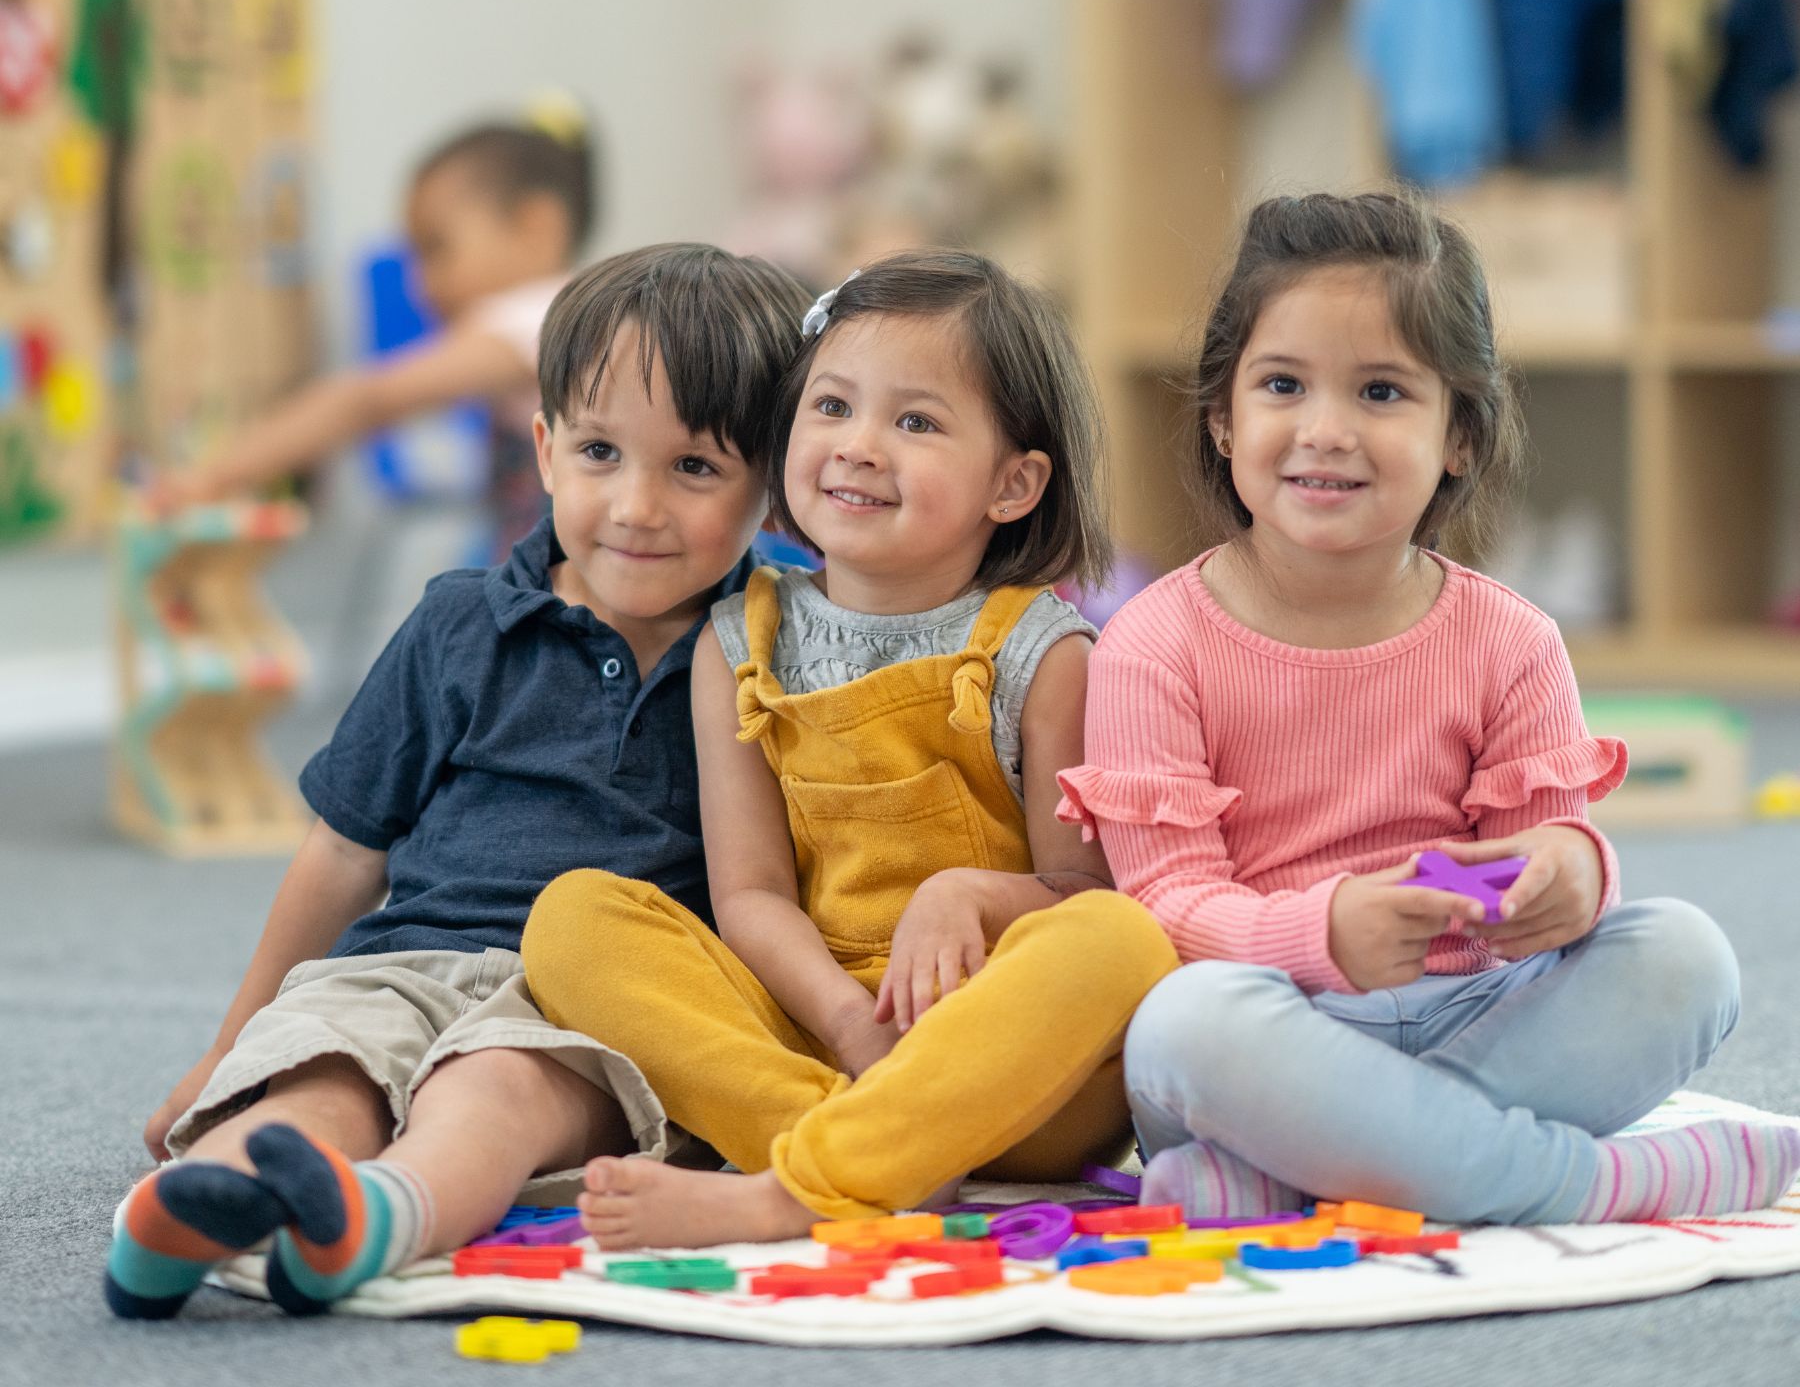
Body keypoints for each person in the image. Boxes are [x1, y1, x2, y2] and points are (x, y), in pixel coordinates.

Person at [1058, 190, 1800, 1226]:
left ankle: (1311, 1175)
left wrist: (1568, 877)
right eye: (1282, 384)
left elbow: (1545, 847)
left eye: (1380, 391)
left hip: (1477, 1013)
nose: (1326, 430)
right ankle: (1573, 1183)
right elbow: (1167, 908)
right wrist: (1325, 931)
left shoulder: (1509, 636)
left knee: (1687, 955)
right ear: (1224, 418)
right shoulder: (1155, 640)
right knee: (1182, 1019)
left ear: (1460, 432)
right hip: (1267, 1029)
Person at [104, 243, 812, 1319]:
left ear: (773, 485)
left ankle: (385, 1212)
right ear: (543, 448)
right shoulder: (458, 623)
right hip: (407, 958)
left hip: (594, 1003)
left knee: (495, 1090)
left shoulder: (775, 642)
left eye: (696, 468)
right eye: (601, 451)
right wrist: (227, 1044)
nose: (636, 505)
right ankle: (207, 1197)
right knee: (323, 1071)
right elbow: (344, 848)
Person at [521, 251, 1178, 1249]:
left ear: (1014, 481)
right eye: (831, 406)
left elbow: (1081, 890)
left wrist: (963, 894)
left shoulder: (1047, 652)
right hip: (826, 1032)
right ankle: (867, 1149)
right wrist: (841, 1015)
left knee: (1124, 944)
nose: (858, 446)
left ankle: (801, 1183)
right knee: (575, 919)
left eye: (914, 422)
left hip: (1014, 1077)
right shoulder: (738, 639)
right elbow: (749, 895)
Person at [150, 111, 595, 554]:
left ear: (538, 228)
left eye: (437, 249)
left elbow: (368, 400)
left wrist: (215, 477)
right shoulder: (569, 314)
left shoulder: (532, 320)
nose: (421, 284)